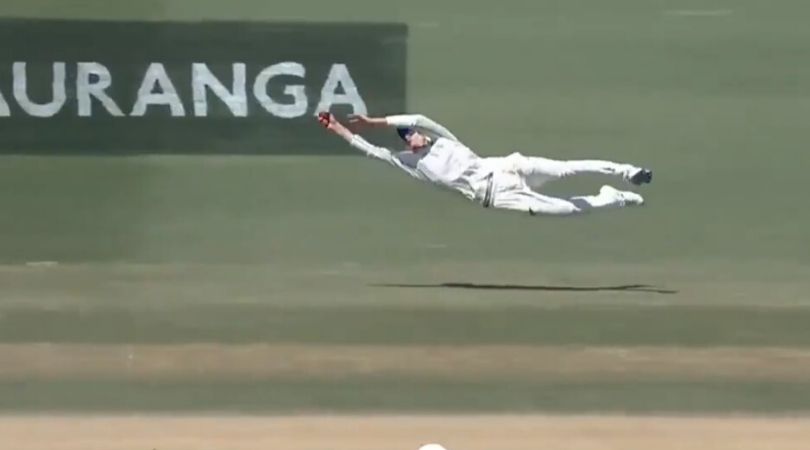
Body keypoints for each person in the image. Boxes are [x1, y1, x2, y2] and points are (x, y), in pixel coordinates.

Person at [316, 112, 652, 216]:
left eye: (411, 135)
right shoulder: (412, 164)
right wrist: (339, 129)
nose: (411, 139)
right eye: (406, 139)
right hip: (499, 196)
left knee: (566, 168)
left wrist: (374, 122)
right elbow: (371, 151)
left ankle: (627, 171)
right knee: (567, 209)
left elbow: (418, 117)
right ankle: (614, 198)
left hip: (506, 167)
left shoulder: (444, 138)